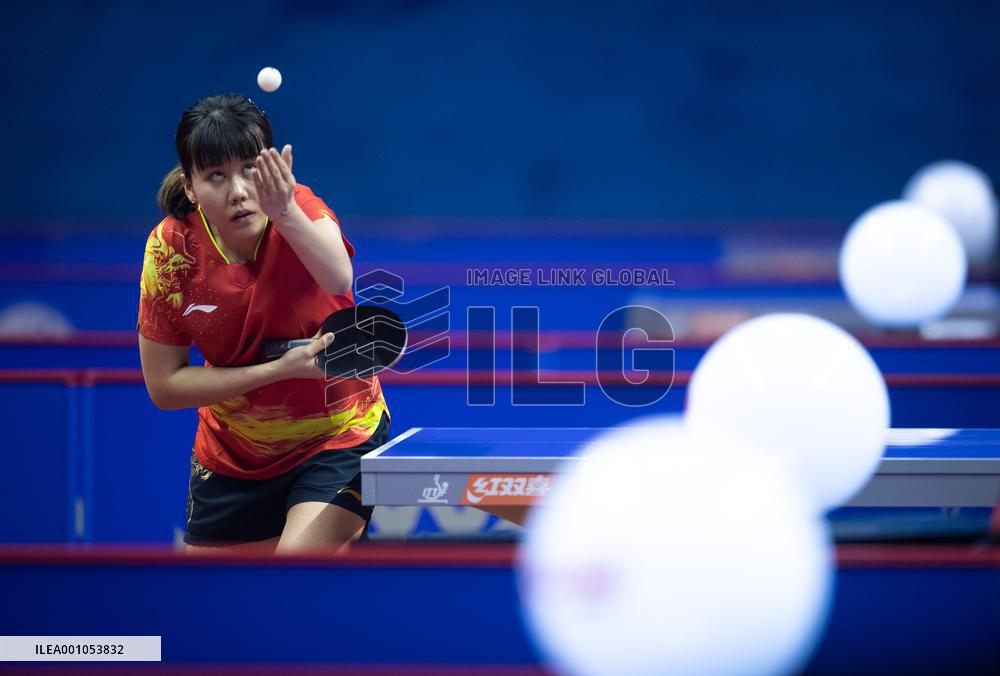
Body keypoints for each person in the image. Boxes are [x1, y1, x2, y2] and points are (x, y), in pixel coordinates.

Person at [137, 94, 388, 554]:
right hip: (232, 455)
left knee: (294, 579)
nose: (238, 191)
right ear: (190, 187)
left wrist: (286, 212)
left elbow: (338, 277)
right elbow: (164, 386)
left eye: (249, 168)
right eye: (216, 176)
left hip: (336, 438)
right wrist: (277, 371)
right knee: (215, 615)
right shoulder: (171, 254)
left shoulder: (299, 209)